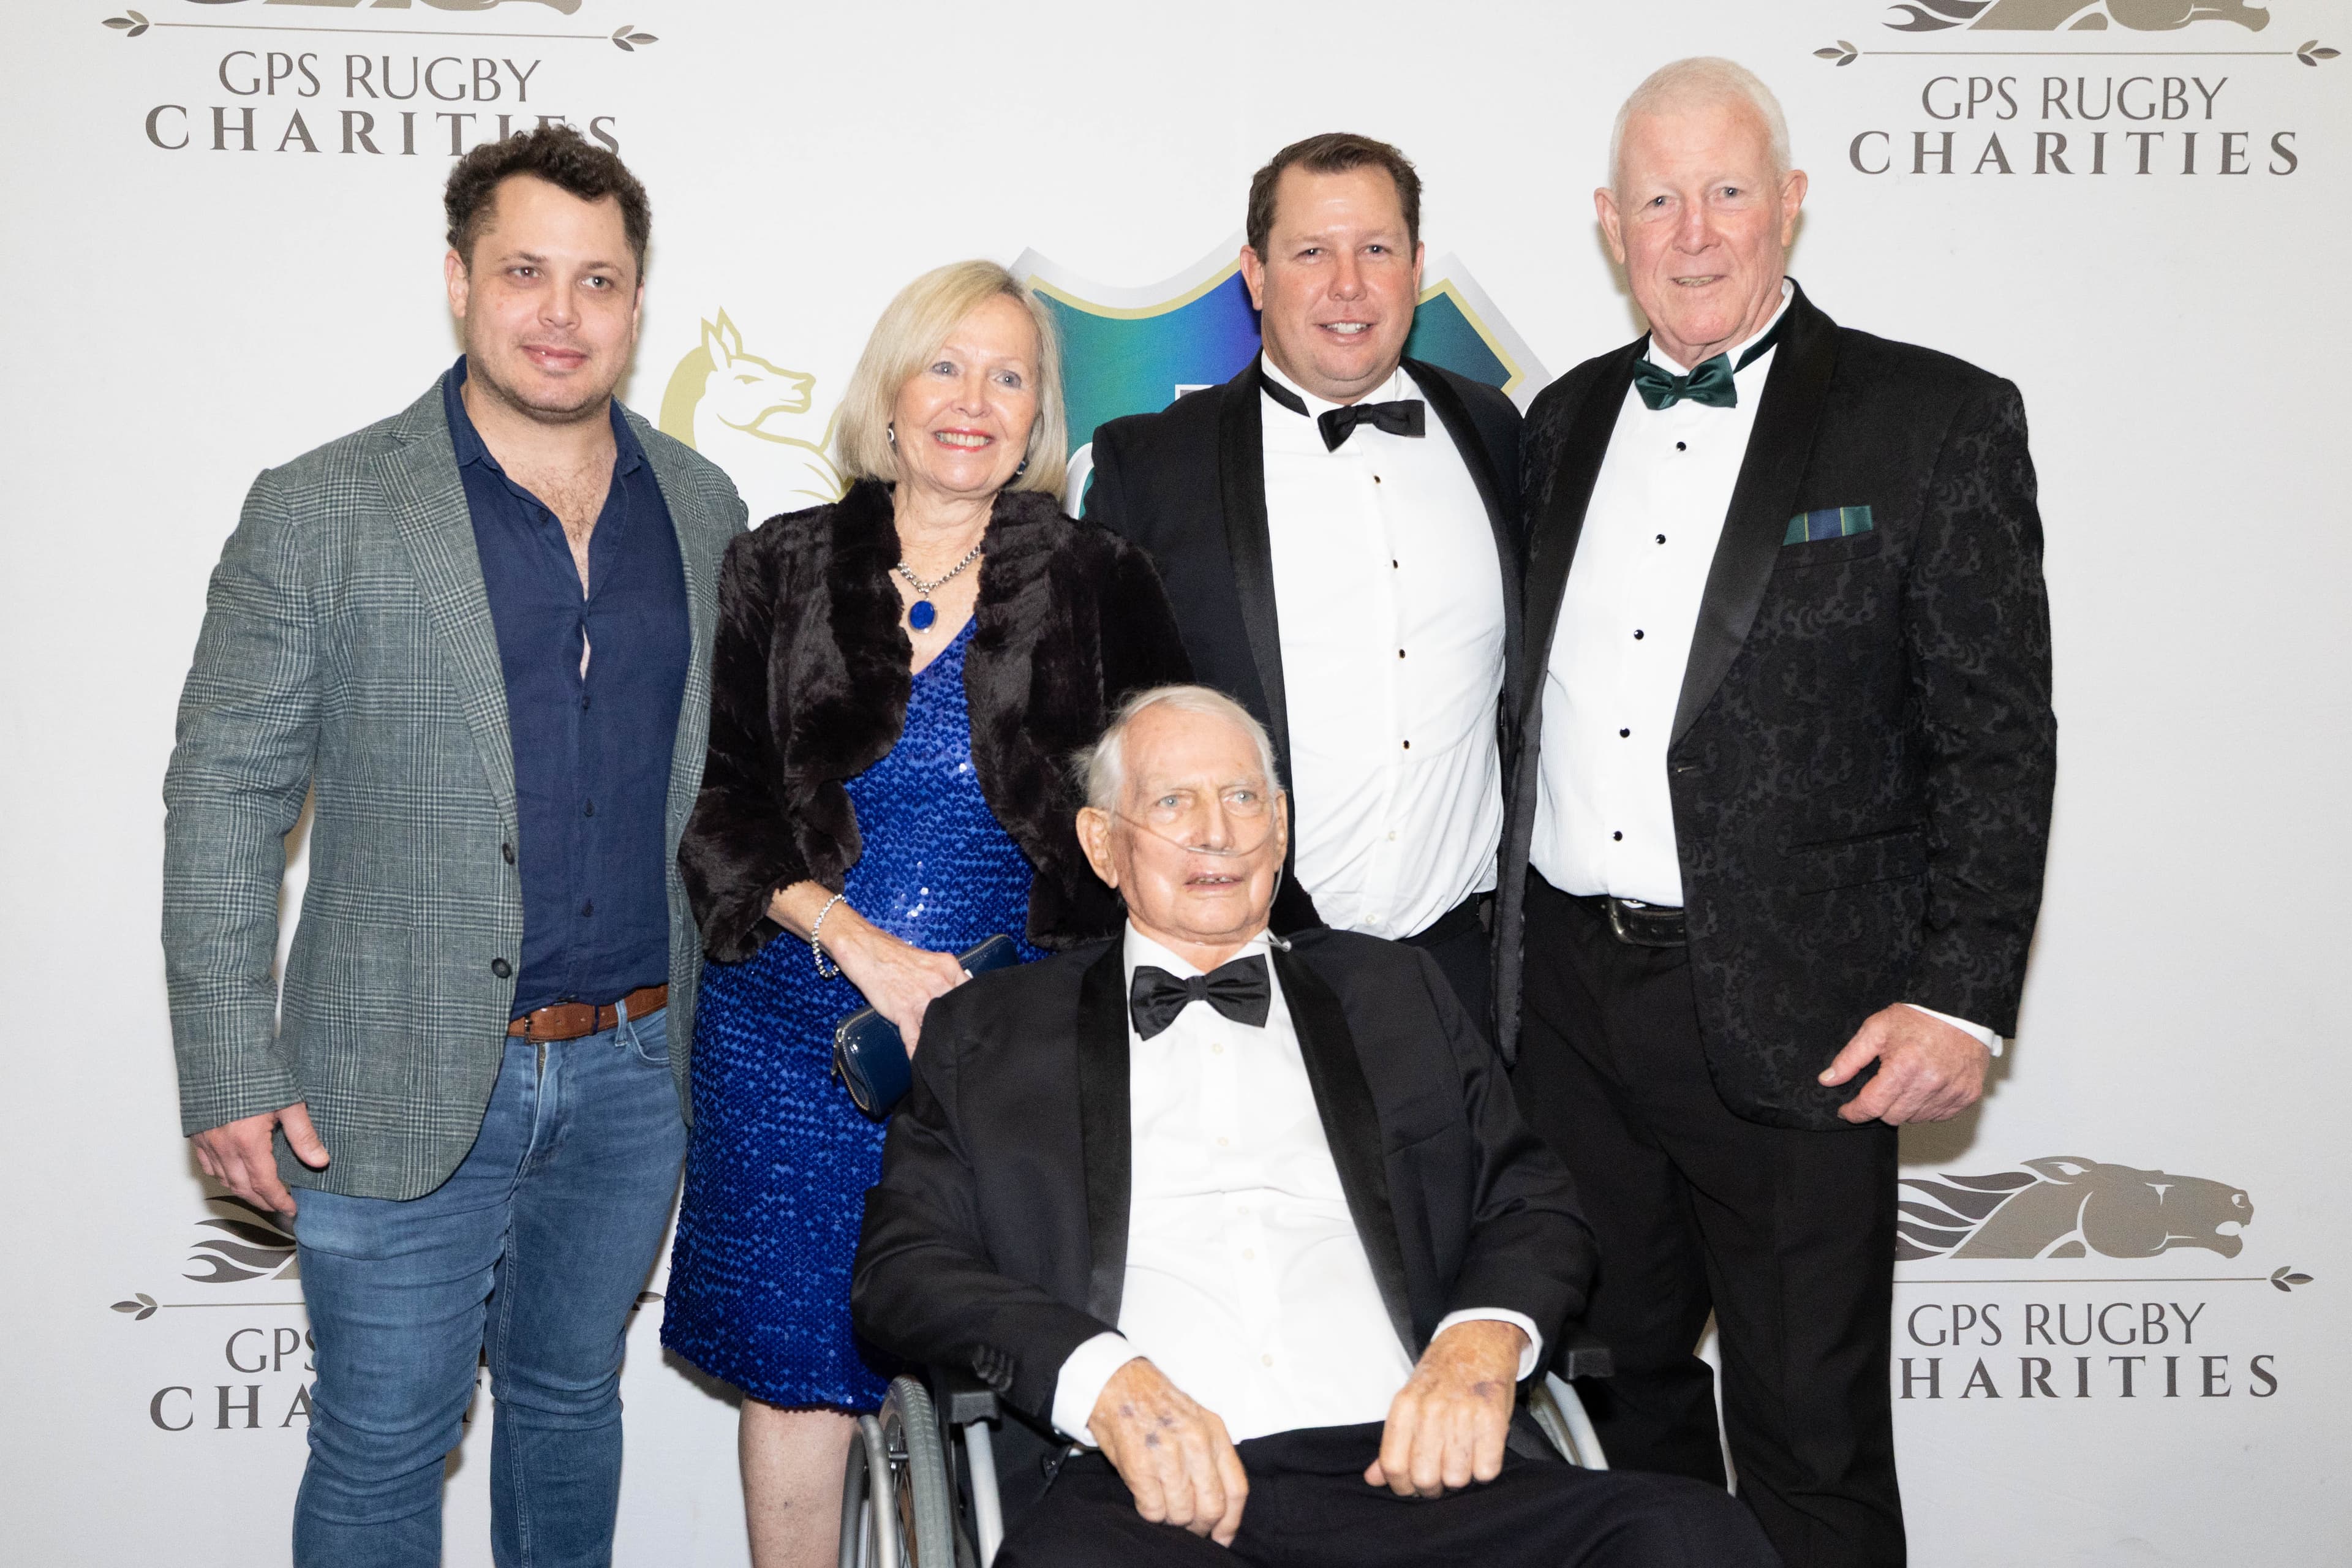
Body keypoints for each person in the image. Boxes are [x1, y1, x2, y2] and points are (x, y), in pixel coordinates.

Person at [161, 126, 747, 1566]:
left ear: (636, 300)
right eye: (527, 271)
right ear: (457, 280)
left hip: (632, 1068)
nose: (562, 312)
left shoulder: (706, 505)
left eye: (599, 279)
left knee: (567, 1399)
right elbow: (224, 790)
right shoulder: (323, 506)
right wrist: (231, 1061)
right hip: (393, 1070)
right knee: (379, 1447)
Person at [1499, 58, 2057, 1566]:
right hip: (1568, 1007)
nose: (1695, 233)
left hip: (1803, 1012)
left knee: (1810, 1440)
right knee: (1614, 1411)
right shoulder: (1557, 424)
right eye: (1660, 199)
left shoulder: (1933, 419)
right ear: (1610, 226)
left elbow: (1998, 736)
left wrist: (1963, 993)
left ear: (1792, 204)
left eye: (1728, 190)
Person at [852, 686, 1778, 1567]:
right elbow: (904, 1267)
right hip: (1152, 1504)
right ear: (1103, 844)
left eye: (1243, 797)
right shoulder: (994, 1032)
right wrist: (1102, 1380)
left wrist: (1481, 1342)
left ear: (1281, 827)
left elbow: (1532, 1203)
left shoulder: (1396, 993)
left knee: (1691, 1537)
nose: (1215, 831)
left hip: (1421, 1476)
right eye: (1173, 801)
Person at [662, 261, 1192, 1568]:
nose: (974, 399)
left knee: (1024, 1369)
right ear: (889, 393)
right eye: (945, 366)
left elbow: (1170, 807)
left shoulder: (1098, 576)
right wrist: (854, 940)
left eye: (1010, 375)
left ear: (1037, 414)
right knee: (798, 1378)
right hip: (795, 1036)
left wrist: (1015, 980)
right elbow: (718, 806)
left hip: (1016, 1048)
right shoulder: (776, 568)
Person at [1085, 134, 1522, 1025]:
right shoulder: (1151, 466)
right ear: (1255, 273)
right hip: (1239, 970)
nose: (1348, 285)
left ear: (1417, 266)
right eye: (1311, 252)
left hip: (1462, 977)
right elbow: (1098, 734)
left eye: (1376, 249)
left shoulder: (1496, 431)